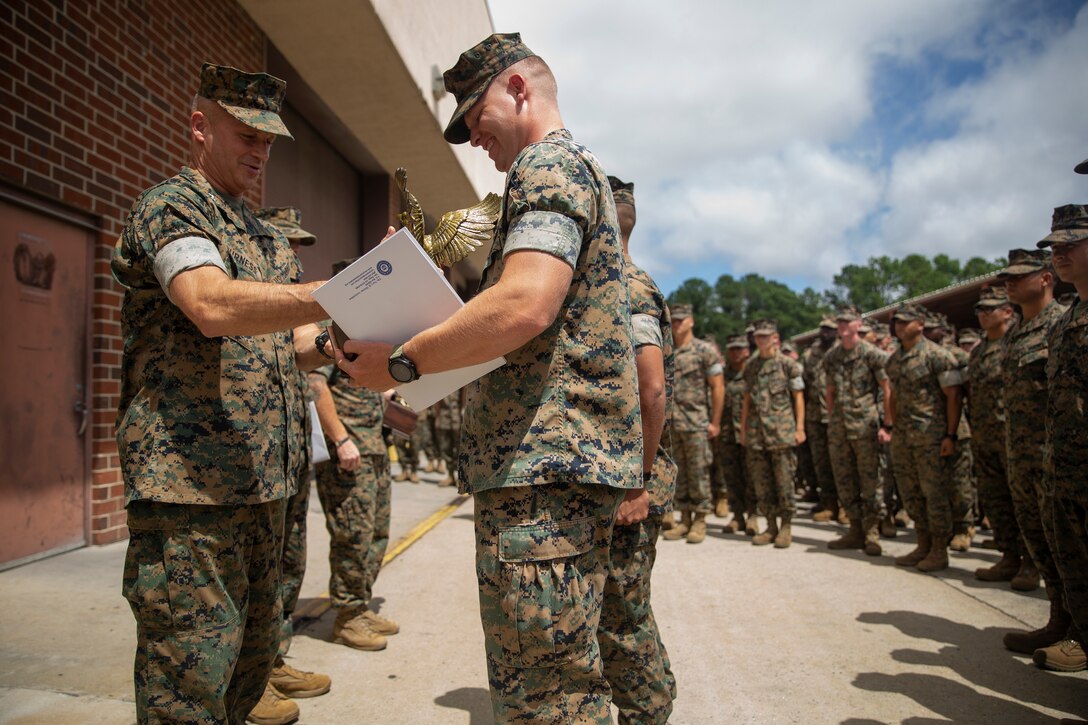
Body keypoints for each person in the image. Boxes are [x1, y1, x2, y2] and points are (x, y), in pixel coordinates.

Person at [336, 33, 644, 721]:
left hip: (545, 477)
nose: (474, 137)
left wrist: (404, 359)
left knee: (548, 695)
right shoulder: (565, 172)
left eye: (478, 116)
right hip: (553, 471)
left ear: (521, 89)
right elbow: (516, 313)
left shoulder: (546, 168)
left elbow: (525, 303)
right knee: (555, 679)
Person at [112, 63, 332, 724]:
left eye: (269, 140)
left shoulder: (265, 235)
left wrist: (351, 330)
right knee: (188, 684)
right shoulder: (175, 206)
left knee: (249, 674)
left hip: (267, 488)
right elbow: (208, 303)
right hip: (191, 493)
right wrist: (333, 294)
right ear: (200, 126)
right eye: (246, 134)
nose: (260, 151)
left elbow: (295, 345)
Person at [597, 175, 677, 723]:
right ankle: (654, 696)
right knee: (623, 608)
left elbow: (652, 390)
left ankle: (647, 712)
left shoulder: (625, 286)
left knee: (620, 614)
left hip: (629, 483)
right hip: (622, 477)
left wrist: (635, 482)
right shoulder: (616, 281)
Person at [251, 207, 332, 718]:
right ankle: (250, 677)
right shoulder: (252, 293)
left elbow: (300, 357)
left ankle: (271, 659)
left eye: (299, 245)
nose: (294, 254)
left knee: (288, 561)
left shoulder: (290, 300)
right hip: (249, 456)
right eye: (287, 242)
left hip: (289, 450)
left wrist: (332, 339)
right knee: (255, 574)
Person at [311, 259, 398, 653]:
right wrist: (341, 439)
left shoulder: (369, 331)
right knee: (352, 536)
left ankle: (360, 605)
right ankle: (346, 617)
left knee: (376, 533)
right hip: (349, 453)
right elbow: (316, 386)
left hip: (376, 449)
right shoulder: (327, 333)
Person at [998, 248, 1077, 662]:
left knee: (1071, 549)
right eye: (1006, 276)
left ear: (1045, 278)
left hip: (1060, 457)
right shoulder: (1016, 330)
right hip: (1024, 456)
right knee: (1043, 543)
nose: (1009, 283)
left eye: (1019, 275)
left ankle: (1077, 634)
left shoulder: (1059, 322)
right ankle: (1059, 622)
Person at [1037, 203, 1088, 673]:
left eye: (1071, 243)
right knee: (1079, 582)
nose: (1060, 253)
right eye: (1055, 246)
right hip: (1067, 473)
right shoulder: (1069, 319)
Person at [884, 303, 963, 573]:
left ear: (920, 324)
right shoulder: (894, 359)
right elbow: (892, 395)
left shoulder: (937, 356)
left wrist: (950, 435)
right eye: (896, 322)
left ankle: (939, 549)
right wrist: (893, 427)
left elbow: (953, 396)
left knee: (934, 493)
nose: (899, 326)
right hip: (904, 437)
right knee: (911, 493)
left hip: (931, 436)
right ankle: (923, 543)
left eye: (905, 322)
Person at [965, 285, 1032, 587]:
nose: (982, 314)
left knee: (1025, 502)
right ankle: (1009, 557)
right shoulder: (978, 352)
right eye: (979, 309)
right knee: (996, 499)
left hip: (1016, 438)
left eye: (989, 309)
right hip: (984, 437)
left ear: (1007, 312)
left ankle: (1032, 563)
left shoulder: (1018, 343)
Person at [823, 305, 891, 556]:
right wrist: (832, 419)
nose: (842, 325)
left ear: (858, 323)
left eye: (847, 321)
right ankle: (854, 529)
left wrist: (887, 424)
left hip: (866, 426)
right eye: (840, 321)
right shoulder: (832, 356)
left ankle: (872, 531)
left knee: (871, 479)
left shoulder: (872, 354)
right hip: (840, 428)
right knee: (845, 479)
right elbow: (829, 391)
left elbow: (887, 389)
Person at [662, 303, 725, 544]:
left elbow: (718, 387)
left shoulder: (704, 351)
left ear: (691, 322)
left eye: (681, 319)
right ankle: (684, 518)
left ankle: (700, 519)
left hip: (697, 422)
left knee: (698, 473)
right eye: (674, 320)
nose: (677, 324)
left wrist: (715, 422)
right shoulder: (667, 350)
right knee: (680, 474)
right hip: (673, 424)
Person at [740, 319, 805, 548]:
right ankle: (770, 526)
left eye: (766, 336)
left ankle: (786, 526)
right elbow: (746, 399)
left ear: (775, 337)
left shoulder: (788, 365)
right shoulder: (751, 366)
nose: (761, 340)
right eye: (758, 336)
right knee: (762, 482)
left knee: (785, 481)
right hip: (758, 435)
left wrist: (799, 428)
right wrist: (745, 430)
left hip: (782, 432)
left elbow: (798, 398)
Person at [923, 313, 976, 552]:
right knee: (936, 485)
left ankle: (964, 528)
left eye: (933, 329)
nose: (929, 333)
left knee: (959, 482)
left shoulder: (955, 356)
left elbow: (968, 392)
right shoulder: (922, 355)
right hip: (931, 431)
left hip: (957, 428)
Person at [803, 317, 841, 524]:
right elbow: (805, 384)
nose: (825, 333)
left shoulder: (842, 351)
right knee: (821, 463)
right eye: (823, 329)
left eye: (830, 330)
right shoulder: (810, 355)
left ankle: (845, 506)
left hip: (838, 417)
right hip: (815, 416)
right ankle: (829, 503)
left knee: (841, 463)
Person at [720, 334, 755, 535]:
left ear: (747, 350)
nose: (736, 353)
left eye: (740, 348)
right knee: (732, 477)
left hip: (750, 433)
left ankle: (753, 516)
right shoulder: (723, 376)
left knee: (751, 476)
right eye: (732, 349)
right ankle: (738, 516)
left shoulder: (752, 372)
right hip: (727, 433)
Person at [432, 389, 463, 487]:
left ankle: (461, 478)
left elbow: (464, 397)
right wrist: (437, 417)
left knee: (460, 450)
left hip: (458, 416)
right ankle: (450, 476)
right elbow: (437, 400)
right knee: (445, 448)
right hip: (443, 417)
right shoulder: (442, 382)